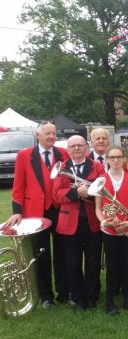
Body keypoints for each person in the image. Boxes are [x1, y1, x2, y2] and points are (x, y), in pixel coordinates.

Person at [8, 122, 70, 308]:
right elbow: (18, 186)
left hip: (59, 209)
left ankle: (64, 292)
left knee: (62, 252)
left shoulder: (63, 154)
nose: (52, 136)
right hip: (36, 212)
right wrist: (17, 212)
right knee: (41, 253)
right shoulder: (24, 155)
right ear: (38, 135)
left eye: (54, 133)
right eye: (47, 133)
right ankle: (45, 296)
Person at [52, 135, 105, 311]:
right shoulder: (62, 168)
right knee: (73, 264)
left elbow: (103, 190)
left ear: (86, 148)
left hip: (92, 222)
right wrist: (76, 193)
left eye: (80, 145)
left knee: (93, 262)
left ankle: (92, 297)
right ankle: (78, 298)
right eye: (73, 146)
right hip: (69, 223)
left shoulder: (97, 166)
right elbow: (57, 195)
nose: (76, 149)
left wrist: (87, 192)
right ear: (68, 149)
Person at [94, 145, 128, 314]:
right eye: (111, 157)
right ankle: (110, 300)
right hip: (110, 230)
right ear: (106, 160)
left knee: (125, 263)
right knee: (112, 264)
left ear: (123, 159)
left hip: (127, 228)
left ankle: (127, 297)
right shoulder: (101, 180)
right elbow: (98, 208)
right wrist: (104, 222)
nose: (115, 160)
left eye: (118, 157)